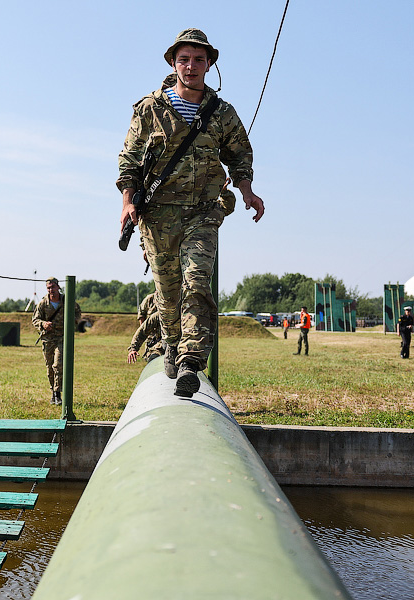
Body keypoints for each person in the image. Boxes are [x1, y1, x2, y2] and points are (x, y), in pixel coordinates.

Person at [118, 28, 264, 398]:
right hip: (158, 218)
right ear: (173, 63)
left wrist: (247, 190)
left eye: (199, 59)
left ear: (209, 64)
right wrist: (128, 202)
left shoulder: (222, 113)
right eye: (184, 59)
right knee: (168, 296)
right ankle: (171, 343)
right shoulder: (150, 109)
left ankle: (190, 361)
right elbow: (129, 160)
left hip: (203, 213)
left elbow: (239, 155)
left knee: (197, 282)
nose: (191, 66)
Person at [32, 277, 82, 405]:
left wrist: (72, 322)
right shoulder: (43, 303)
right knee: (50, 368)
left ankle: (57, 394)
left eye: (53, 287)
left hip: (62, 338)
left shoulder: (66, 301)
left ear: (58, 287)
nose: (51, 290)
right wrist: (43, 324)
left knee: (58, 365)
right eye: (48, 288)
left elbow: (77, 312)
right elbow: (35, 320)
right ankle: (53, 394)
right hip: (48, 339)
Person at [128, 293, 165, 364]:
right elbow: (143, 329)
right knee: (154, 360)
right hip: (156, 344)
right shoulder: (157, 315)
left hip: (177, 347)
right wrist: (133, 348)